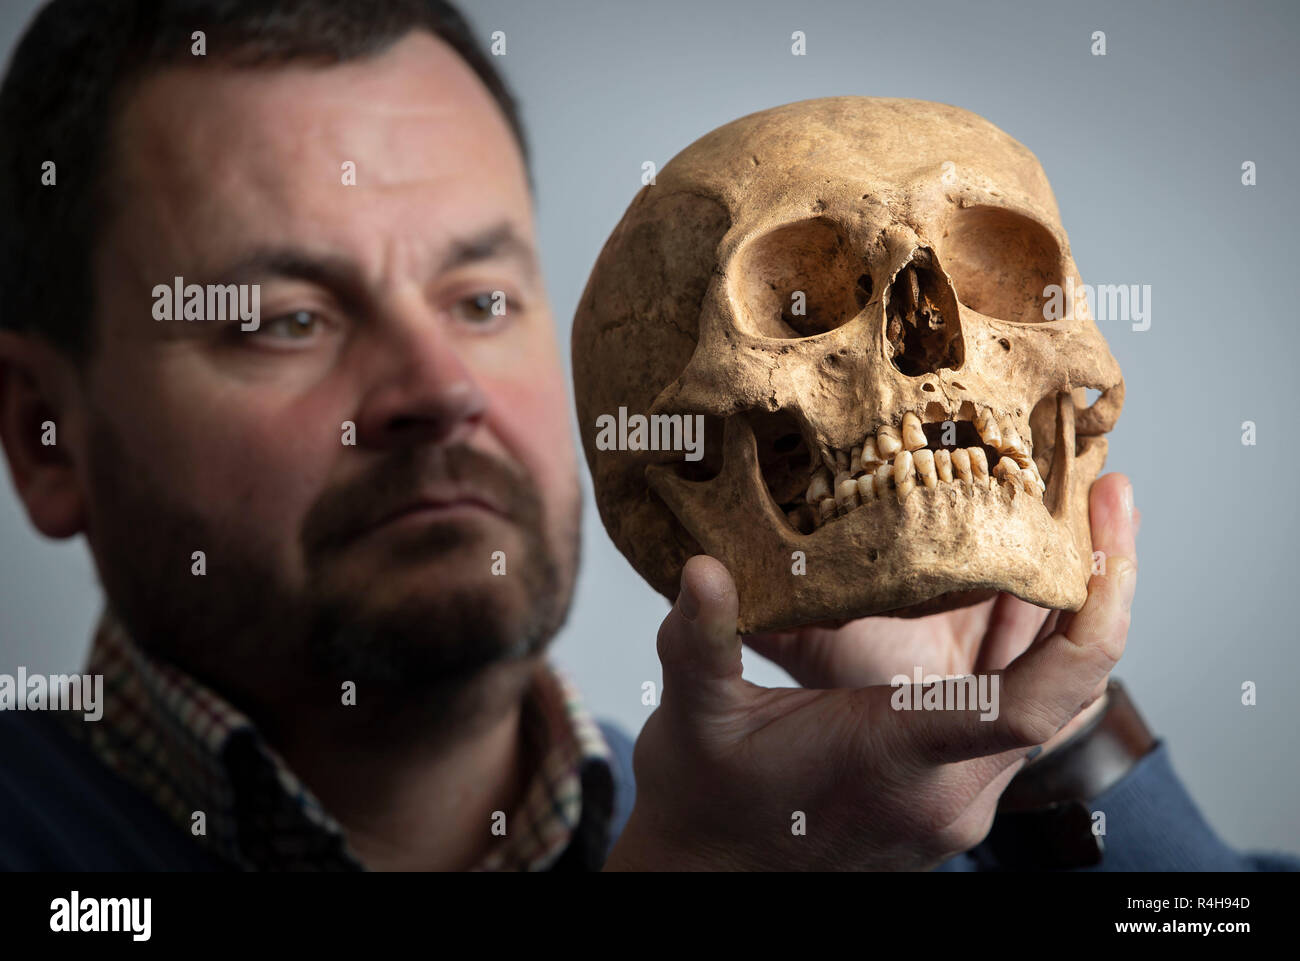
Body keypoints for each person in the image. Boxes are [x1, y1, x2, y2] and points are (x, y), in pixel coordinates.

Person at [0, 0, 1291, 872]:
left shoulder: (837, 829)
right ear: (44, 435)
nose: (440, 385)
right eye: (285, 318)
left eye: (483, 298)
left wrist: (1050, 745)